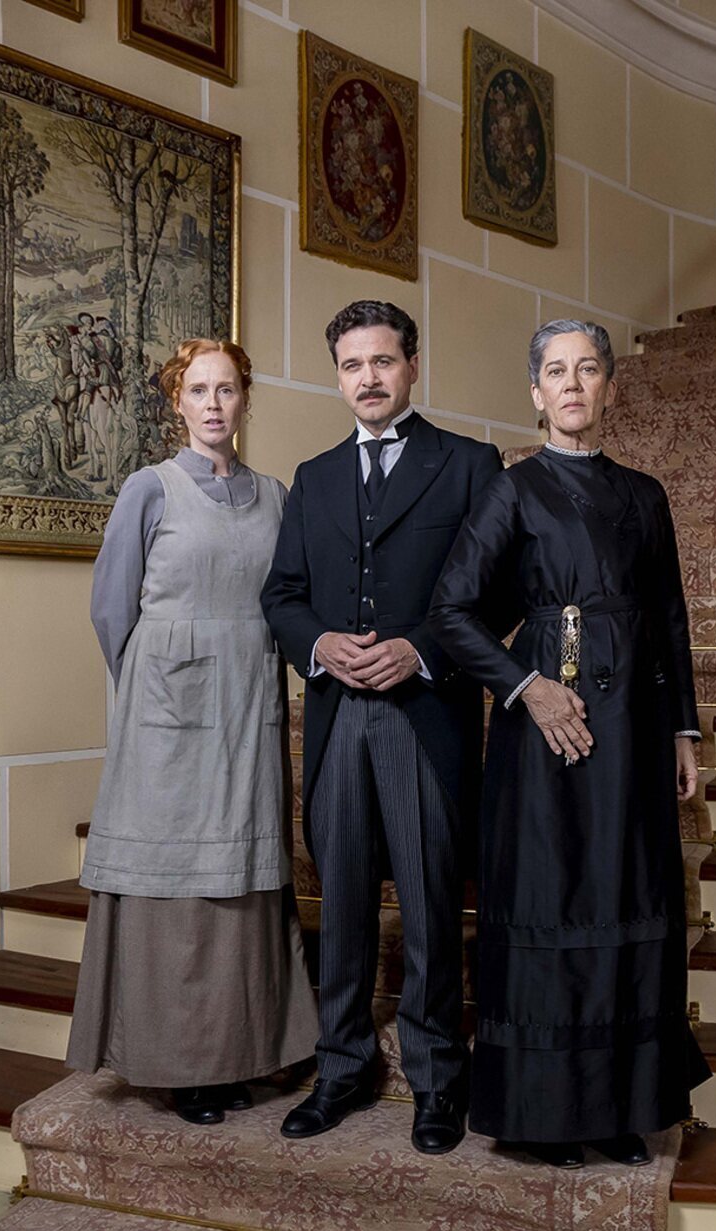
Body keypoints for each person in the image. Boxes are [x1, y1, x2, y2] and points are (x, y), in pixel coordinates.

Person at [426, 319, 711, 1168]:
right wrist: (528, 686)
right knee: (555, 900)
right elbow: (451, 609)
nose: (574, 384)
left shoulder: (646, 495)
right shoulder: (512, 490)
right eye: (557, 370)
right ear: (536, 393)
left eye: (589, 369)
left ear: (611, 389)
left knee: (626, 897)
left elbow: (668, 620)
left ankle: (621, 1107)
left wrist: (683, 728)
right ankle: (541, 1117)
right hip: (543, 734)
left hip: (633, 732)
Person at [260, 300, 502, 1155]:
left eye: (383, 361)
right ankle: (342, 1068)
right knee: (345, 899)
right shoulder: (314, 476)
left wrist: (422, 650)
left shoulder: (471, 465)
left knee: (433, 904)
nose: (368, 377)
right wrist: (320, 643)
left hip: (424, 715)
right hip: (335, 718)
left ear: (412, 366)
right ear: (339, 375)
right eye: (353, 364)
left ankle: (438, 1078)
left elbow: (497, 595)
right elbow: (282, 595)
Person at [68, 337, 317, 1126]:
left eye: (229, 389)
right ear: (176, 402)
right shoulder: (149, 489)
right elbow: (112, 610)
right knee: (174, 881)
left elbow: (288, 599)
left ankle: (245, 1050)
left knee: (243, 875)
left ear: (245, 399)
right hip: (166, 711)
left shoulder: (278, 495)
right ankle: (182, 1064)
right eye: (199, 389)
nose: (214, 403)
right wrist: (158, 685)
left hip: (250, 700)